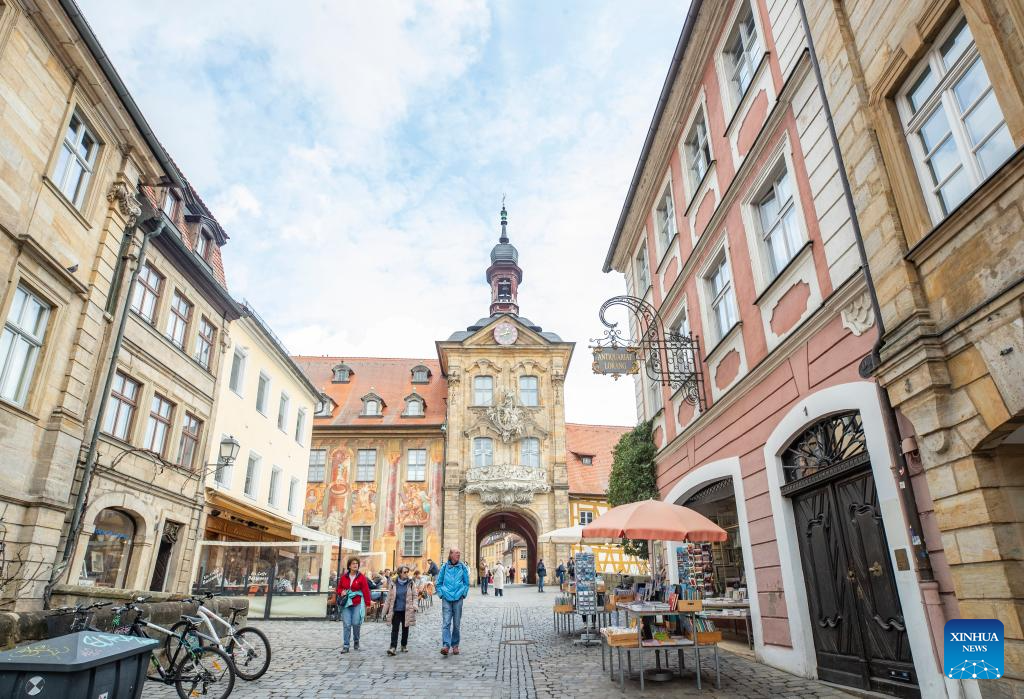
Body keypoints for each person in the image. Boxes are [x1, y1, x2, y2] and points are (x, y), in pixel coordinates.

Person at [435, 546, 470, 656]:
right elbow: (438, 583)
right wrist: (441, 594)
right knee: (446, 622)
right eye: (456, 553)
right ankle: (446, 645)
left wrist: (463, 593)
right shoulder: (444, 567)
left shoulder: (462, 567)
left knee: (456, 624)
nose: (458, 555)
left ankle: (455, 645)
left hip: (458, 598)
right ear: (450, 555)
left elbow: (466, 583)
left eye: (459, 553)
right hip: (446, 598)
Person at [336, 557, 371, 653]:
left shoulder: (361, 577)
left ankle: (356, 641)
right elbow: (338, 589)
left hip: (357, 603)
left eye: (356, 563)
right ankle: (346, 645)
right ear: (349, 566)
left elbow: (366, 590)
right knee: (347, 624)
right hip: (346, 604)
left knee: (356, 623)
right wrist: (341, 592)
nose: (355, 565)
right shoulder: (344, 577)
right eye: (353, 563)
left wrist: (367, 603)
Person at [383, 566, 418, 655]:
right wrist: (384, 611)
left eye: (407, 572)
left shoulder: (411, 583)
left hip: (407, 610)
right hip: (396, 610)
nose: (406, 574)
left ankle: (403, 645)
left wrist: (414, 606)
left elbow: (415, 596)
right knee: (395, 629)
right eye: (404, 572)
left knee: (405, 628)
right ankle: (393, 647)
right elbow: (389, 598)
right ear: (400, 573)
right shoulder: (393, 583)